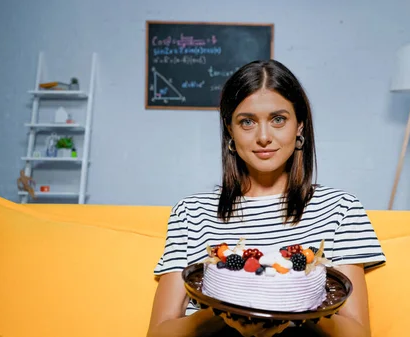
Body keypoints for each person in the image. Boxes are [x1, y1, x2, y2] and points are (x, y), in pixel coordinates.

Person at [146, 59, 386, 337]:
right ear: (229, 131)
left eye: (278, 119)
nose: (263, 137)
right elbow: (159, 332)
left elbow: (357, 333)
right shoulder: (191, 213)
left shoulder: (341, 210)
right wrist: (224, 315)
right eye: (247, 122)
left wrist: (295, 309)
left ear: (300, 126)